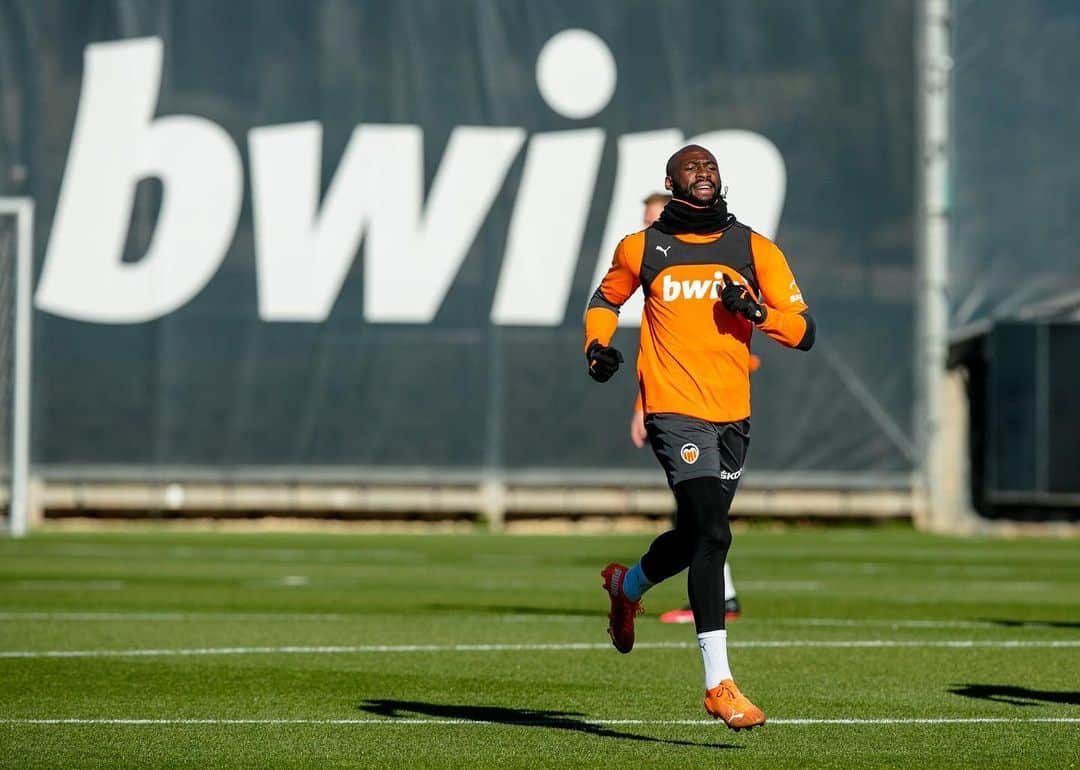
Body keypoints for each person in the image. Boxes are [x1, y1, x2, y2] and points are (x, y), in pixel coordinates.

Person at [584, 144, 815, 730]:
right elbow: (604, 300)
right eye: (692, 166)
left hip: (732, 413)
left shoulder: (752, 248)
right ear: (671, 181)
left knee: (695, 539)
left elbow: (804, 330)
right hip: (673, 410)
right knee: (715, 531)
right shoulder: (643, 248)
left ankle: (627, 584)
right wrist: (595, 347)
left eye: (711, 165)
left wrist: (758, 312)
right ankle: (719, 684)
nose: (704, 172)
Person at [631, 192, 744, 627]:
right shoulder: (651, 266)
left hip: (724, 408)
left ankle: (629, 586)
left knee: (703, 524)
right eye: (644, 219)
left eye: (653, 217)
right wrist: (644, 404)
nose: (647, 226)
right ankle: (718, 675)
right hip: (677, 410)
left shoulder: (719, 262)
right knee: (708, 525)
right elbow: (657, 351)